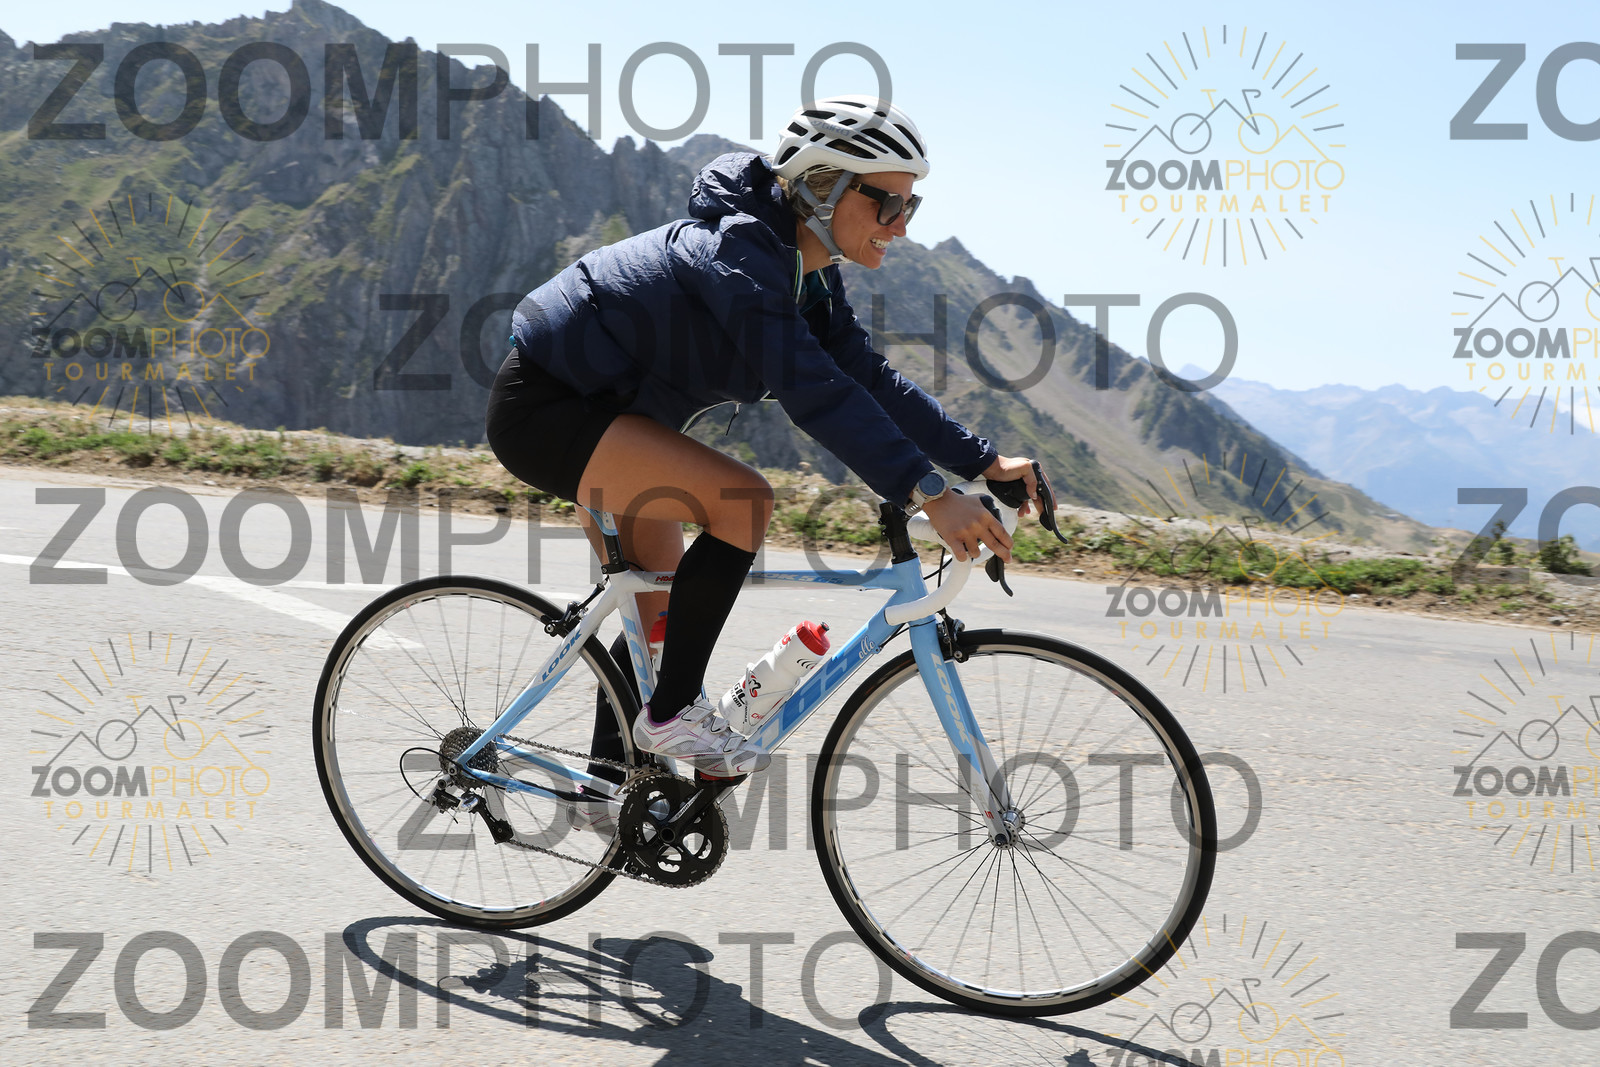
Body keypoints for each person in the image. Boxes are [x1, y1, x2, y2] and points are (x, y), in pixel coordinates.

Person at [487, 95, 1040, 780]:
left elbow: (866, 377)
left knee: (658, 625)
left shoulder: (809, 273)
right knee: (742, 501)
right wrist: (927, 491)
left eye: (911, 206)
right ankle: (672, 717)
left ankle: (617, 787)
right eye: (888, 204)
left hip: (621, 423)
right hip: (548, 409)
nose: (900, 226)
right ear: (823, 187)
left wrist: (983, 460)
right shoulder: (739, 260)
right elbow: (815, 391)